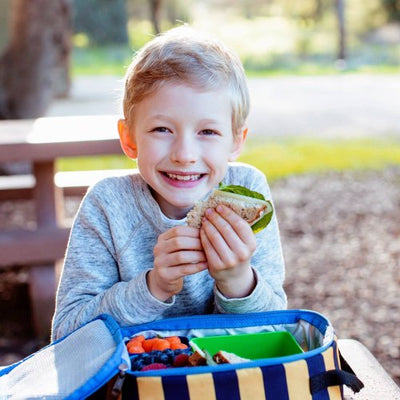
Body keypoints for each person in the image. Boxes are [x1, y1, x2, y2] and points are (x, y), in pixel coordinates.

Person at [51, 26, 286, 341]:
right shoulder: (108, 206)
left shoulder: (249, 193)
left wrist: (238, 282)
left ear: (235, 141)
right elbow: (66, 335)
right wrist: (153, 287)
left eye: (208, 132)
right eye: (162, 129)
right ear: (129, 138)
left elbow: (276, 334)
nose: (185, 155)